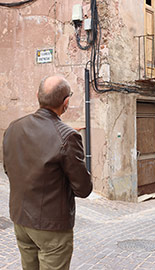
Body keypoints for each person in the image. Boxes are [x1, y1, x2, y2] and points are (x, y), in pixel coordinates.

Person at [3, 75, 93, 270]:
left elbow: (9, 170)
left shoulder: (13, 128)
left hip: (21, 219)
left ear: (37, 96)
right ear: (66, 103)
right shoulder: (68, 137)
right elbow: (83, 188)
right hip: (51, 227)